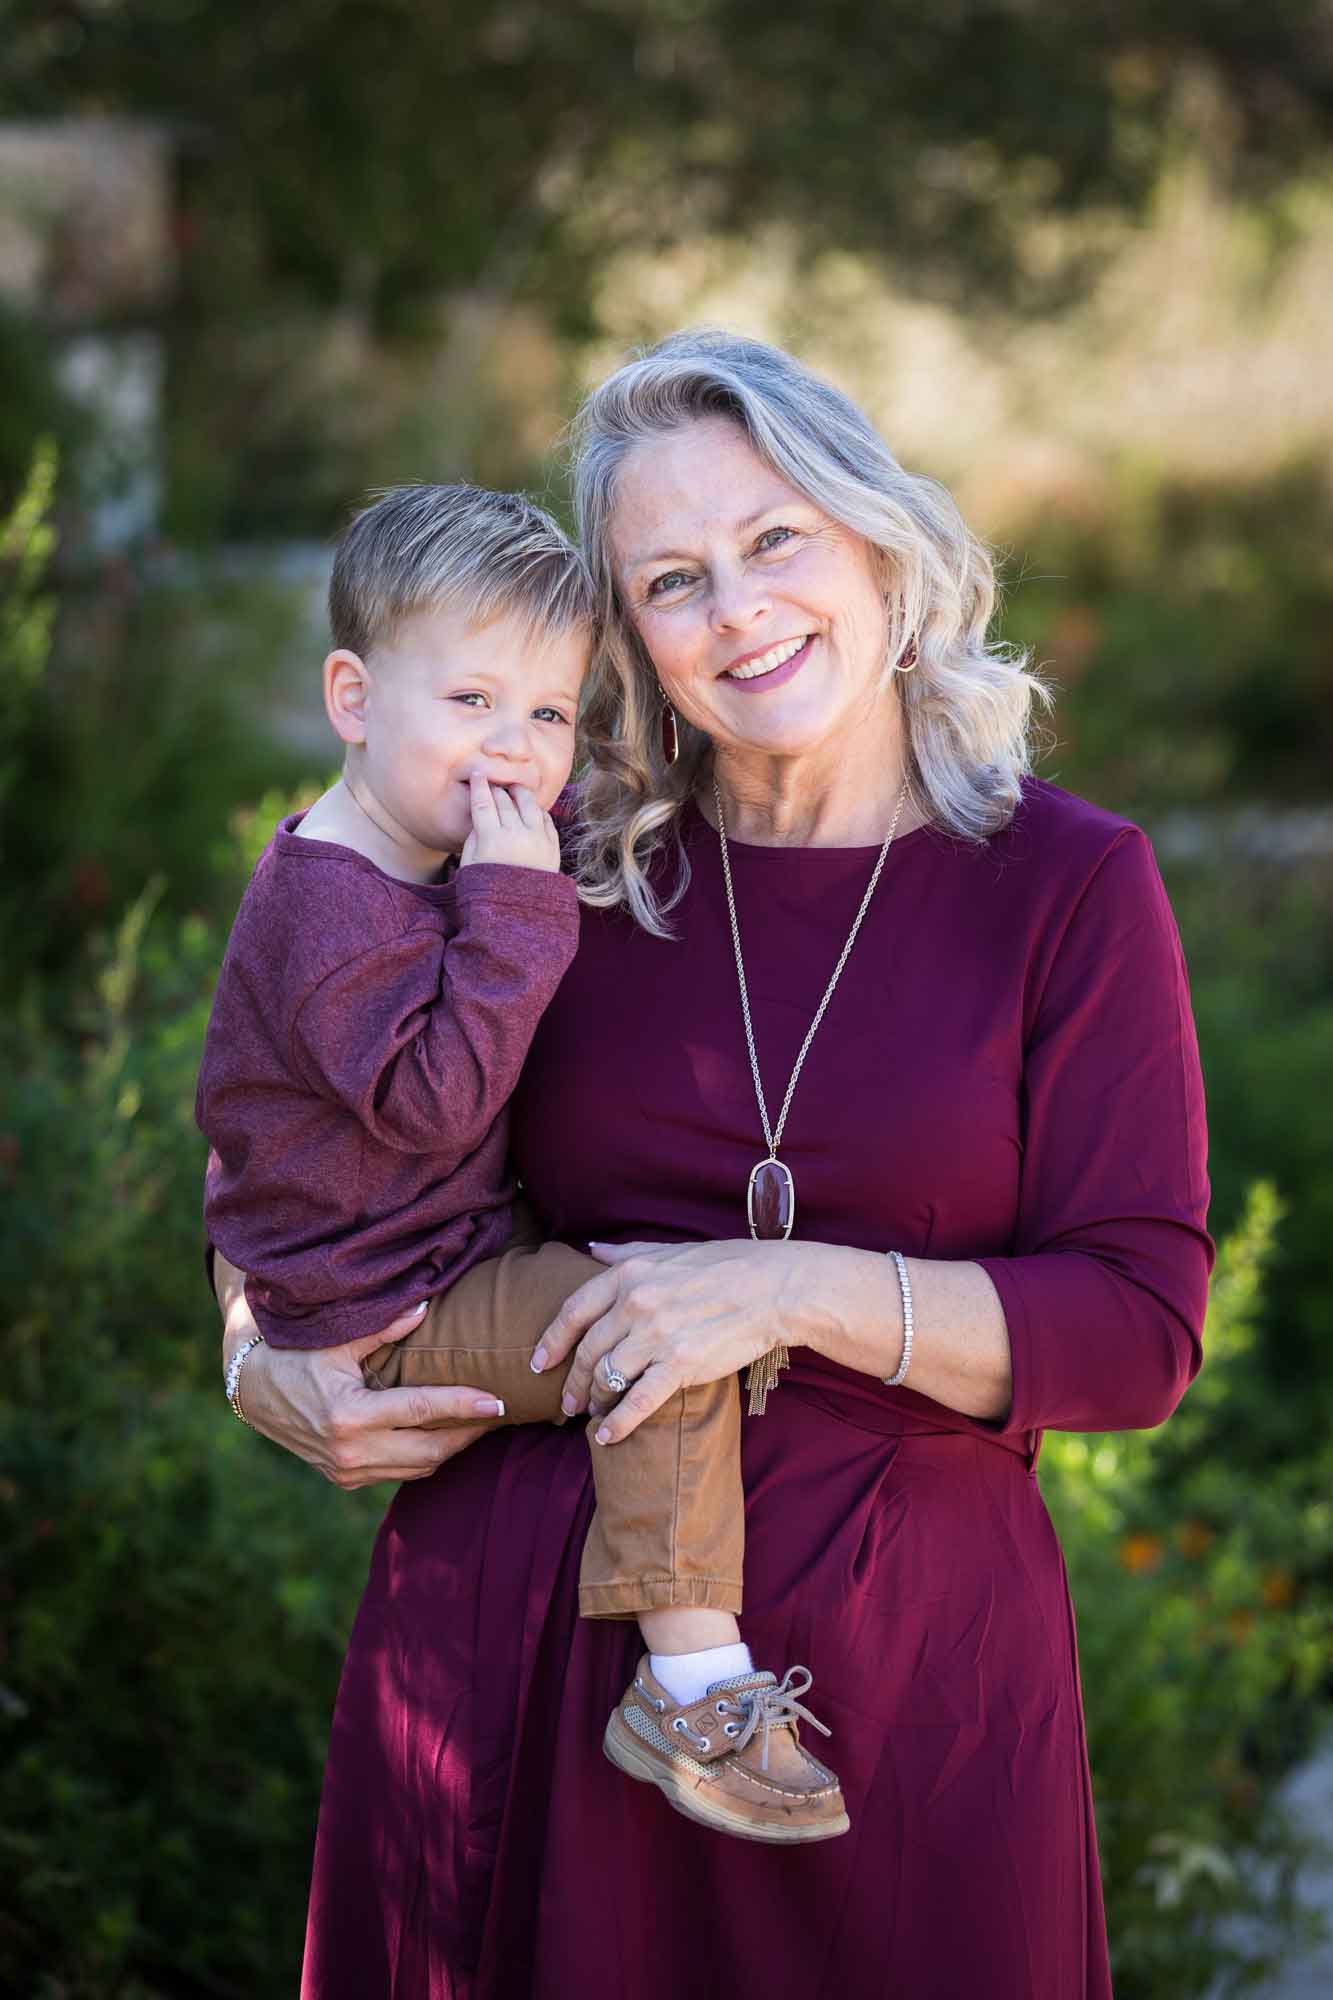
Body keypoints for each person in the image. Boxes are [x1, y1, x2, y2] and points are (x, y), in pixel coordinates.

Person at [214, 330, 1212, 1998]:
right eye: (671, 580)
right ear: (627, 642)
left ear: (876, 544)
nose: (738, 608)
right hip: (508, 1671)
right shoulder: (539, 875)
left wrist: (781, 1292)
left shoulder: (1066, 885)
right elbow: (290, 1097)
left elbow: (1136, 1333)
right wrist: (255, 1346)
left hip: (903, 1706)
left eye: (774, 541)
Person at [199, 478, 849, 1850]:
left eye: (547, 716)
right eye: (470, 704)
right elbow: (436, 1100)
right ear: (352, 697)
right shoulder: (332, 904)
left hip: (430, 1256)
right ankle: (691, 1690)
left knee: (645, 1309)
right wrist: (514, 907)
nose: (514, 753)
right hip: (388, 1306)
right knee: (646, 1342)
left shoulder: (429, 836)